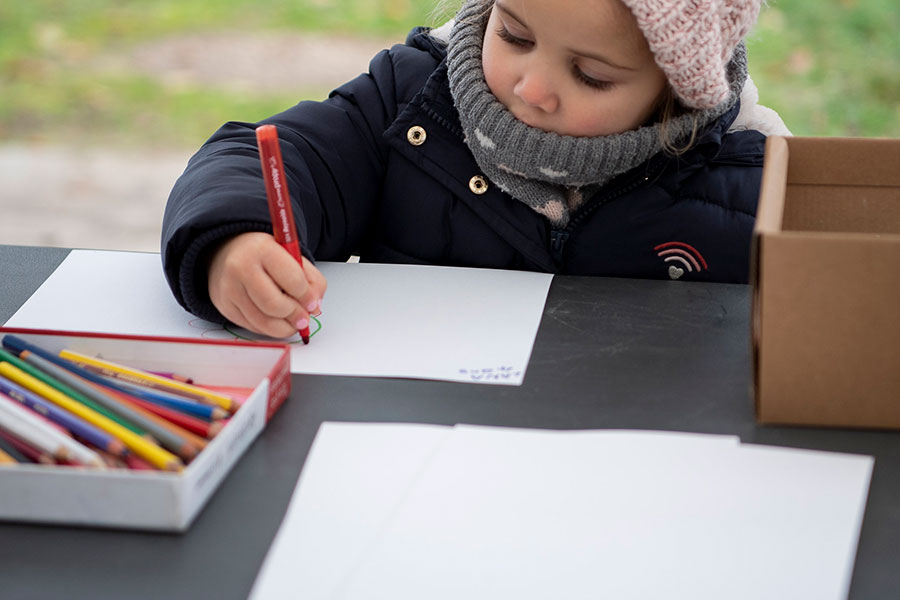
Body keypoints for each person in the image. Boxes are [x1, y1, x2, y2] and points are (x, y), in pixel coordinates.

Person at [161, 0, 790, 338]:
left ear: (676, 92)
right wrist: (234, 241)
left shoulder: (741, 180)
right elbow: (272, 157)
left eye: (591, 75)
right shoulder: (408, 100)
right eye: (513, 35)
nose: (532, 87)